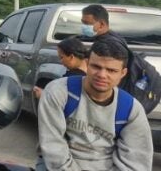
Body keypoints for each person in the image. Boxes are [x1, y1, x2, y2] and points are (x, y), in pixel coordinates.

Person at [36, 39, 152, 170]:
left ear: (122, 73)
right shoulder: (58, 92)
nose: (102, 75)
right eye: (96, 67)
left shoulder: (131, 109)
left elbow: (136, 162)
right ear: (87, 64)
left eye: (111, 70)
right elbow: (53, 149)